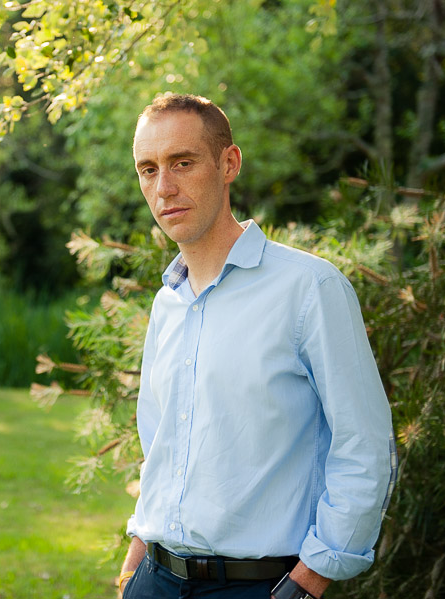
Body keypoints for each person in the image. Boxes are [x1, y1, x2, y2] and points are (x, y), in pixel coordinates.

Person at [116, 94, 397, 599]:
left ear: (229, 164)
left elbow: (364, 445)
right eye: (148, 169)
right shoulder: (168, 303)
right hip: (153, 581)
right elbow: (159, 441)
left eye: (183, 163)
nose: (164, 188)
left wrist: (312, 577)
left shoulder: (309, 289)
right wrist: (140, 540)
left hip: (262, 587)